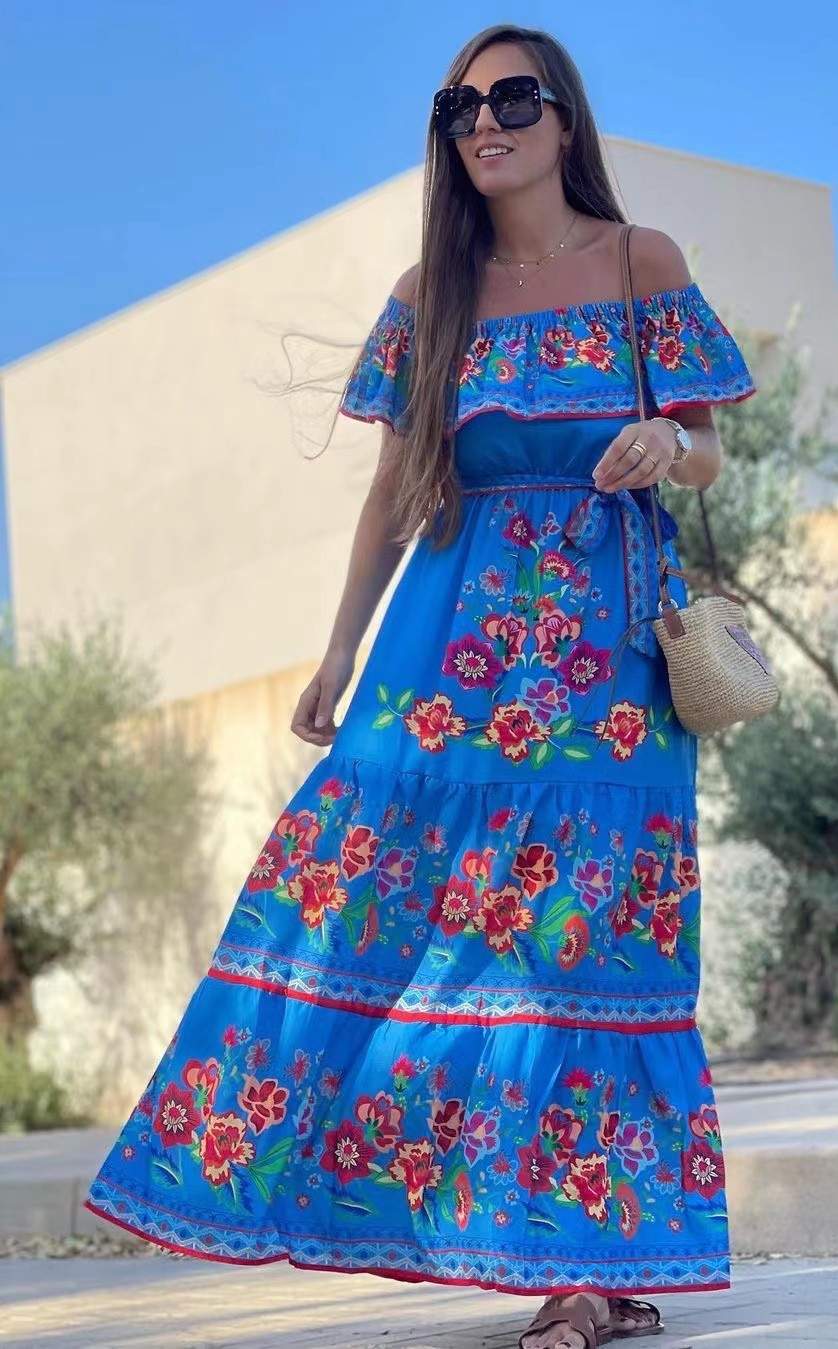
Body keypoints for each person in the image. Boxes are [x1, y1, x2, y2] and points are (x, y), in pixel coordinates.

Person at [83, 22, 756, 1349]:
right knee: (364, 894)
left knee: (576, 942)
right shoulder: (429, 291)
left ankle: (584, 1269)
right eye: (461, 107)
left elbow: (708, 448)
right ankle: (484, 1234)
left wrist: (659, 440)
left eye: (513, 98)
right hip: (446, 652)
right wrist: (338, 650)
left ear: (565, 119)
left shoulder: (643, 262)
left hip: (606, 662)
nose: (485, 122)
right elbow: (395, 489)